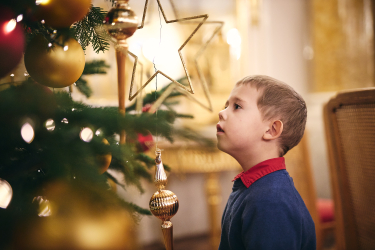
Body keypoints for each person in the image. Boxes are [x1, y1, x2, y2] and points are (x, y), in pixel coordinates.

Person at [217, 75, 316, 250]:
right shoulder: (255, 188)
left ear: (271, 129)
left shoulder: (271, 203)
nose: (221, 112)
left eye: (237, 106)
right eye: (226, 105)